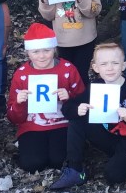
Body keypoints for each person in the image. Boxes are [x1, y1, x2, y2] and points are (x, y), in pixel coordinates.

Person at [57, 42, 126, 189]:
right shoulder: (95, 86)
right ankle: (75, 169)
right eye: (104, 64)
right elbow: (68, 108)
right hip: (109, 136)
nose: (110, 68)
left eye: (115, 63)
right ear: (95, 67)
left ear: (123, 66)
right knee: (77, 120)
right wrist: (77, 109)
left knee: (113, 175)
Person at [6, 23, 85, 175]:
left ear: (54, 49)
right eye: (35, 51)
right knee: (33, 164)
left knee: (59, 161)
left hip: (62, 123)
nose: (41, 56)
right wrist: (19, 103)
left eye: (47, 50)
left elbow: (83, 103)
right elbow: (13, 118)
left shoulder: (68, 69)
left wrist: (69, 97)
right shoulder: (21, 74)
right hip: (32, 125)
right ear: (28, 52)